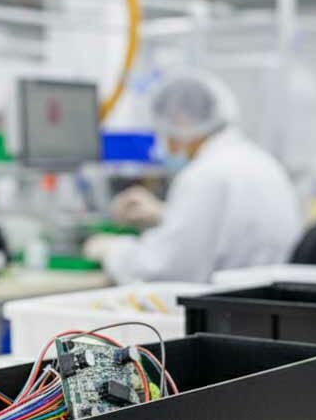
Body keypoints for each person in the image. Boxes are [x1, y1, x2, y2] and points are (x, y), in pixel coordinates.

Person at [85, 70, 302, 284]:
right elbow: (229, 230)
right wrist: (166, 215)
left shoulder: (204, 175)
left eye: (164, 129)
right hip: (259, 301)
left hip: (226, 307)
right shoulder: (258, 160)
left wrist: (112, 250)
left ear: (182, 120)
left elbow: (165, 268)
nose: (164, 142)